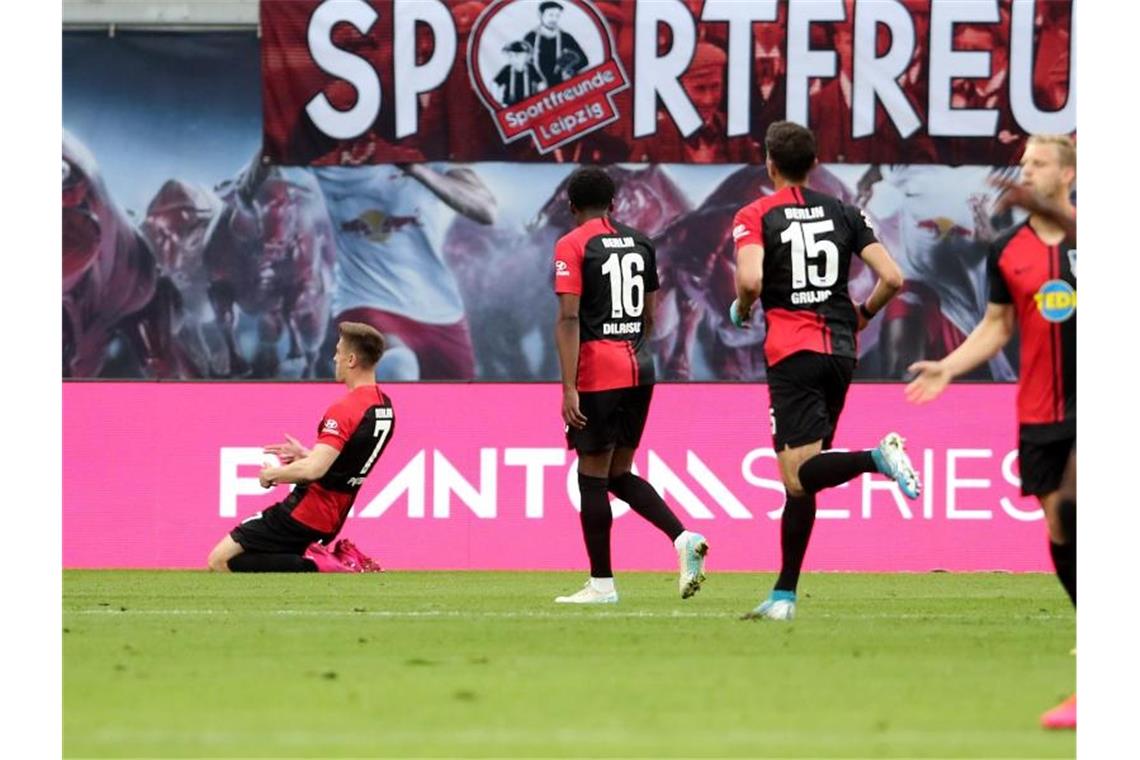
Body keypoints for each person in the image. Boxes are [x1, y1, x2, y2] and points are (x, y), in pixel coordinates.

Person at [905, 134, 1076, 730]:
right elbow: (997, 326)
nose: (1027, 171)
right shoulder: (1007, 249)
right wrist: (949, 366)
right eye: (1024, 163)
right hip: (1039, 413)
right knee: (1061, 527)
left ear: (1068, 173)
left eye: (1039, 164)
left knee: (1079, 511)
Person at [728, 121, 921, 621]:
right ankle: (784, 596)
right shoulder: (844, 211)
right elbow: (893, 278)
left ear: (769, 163)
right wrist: (863, 315)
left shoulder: (755, 214)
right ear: (813, 164)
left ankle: (876, 458)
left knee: (797, 477)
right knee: (804, 477)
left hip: (792, 352)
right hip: (840, 350)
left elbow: (750, 278)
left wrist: (743, 306)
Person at [552, 167, 709, 604]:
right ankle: (683, 539)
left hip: (600, 370)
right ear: (615, 204)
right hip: (641, 366)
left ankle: (601, 585)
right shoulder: (642, 243)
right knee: (618, 474)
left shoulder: (572, 244)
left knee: (592, 478)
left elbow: (567, 318)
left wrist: (569, 387)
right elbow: (649, 312)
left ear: (571, 207)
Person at [206, 322, 395, 573]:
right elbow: (349, 462)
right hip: (332, 518)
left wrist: (271, 475)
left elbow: (314, 471)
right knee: (263, 563)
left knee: (219, 561)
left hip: (305, 512)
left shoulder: (345, 409)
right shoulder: (384, 406)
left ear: (351, 359)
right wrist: (307, 454)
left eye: (338, 351)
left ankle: (328, 564)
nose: (334, 357)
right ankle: (328, 562)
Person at [314, 162, 497, 380]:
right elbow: (270, 165)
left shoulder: (431, 155)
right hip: (364, 300)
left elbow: (486, 210)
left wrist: (415, 169)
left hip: (440, 311)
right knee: (398, 368)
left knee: (458, 406)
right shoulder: (325, 155)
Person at [524, 1, 588, 87]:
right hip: (538, 89)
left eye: (557, 16)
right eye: (550, 15)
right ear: (540, 14)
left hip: (562, 87)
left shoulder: (565, 37)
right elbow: (523, 64)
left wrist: (570, 71)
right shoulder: (530, 37)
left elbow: (584, 60)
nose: (554, 19)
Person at [494, 40, 543, 107]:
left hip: (528, 104)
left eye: (517, 56)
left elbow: (540, 83)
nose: (514, 59)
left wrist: (540, 97)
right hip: (510, 105)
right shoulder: (507, 70)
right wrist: (498, 100)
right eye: (511, 56)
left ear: (527, 57)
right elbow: (495, 84)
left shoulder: (531, 69)